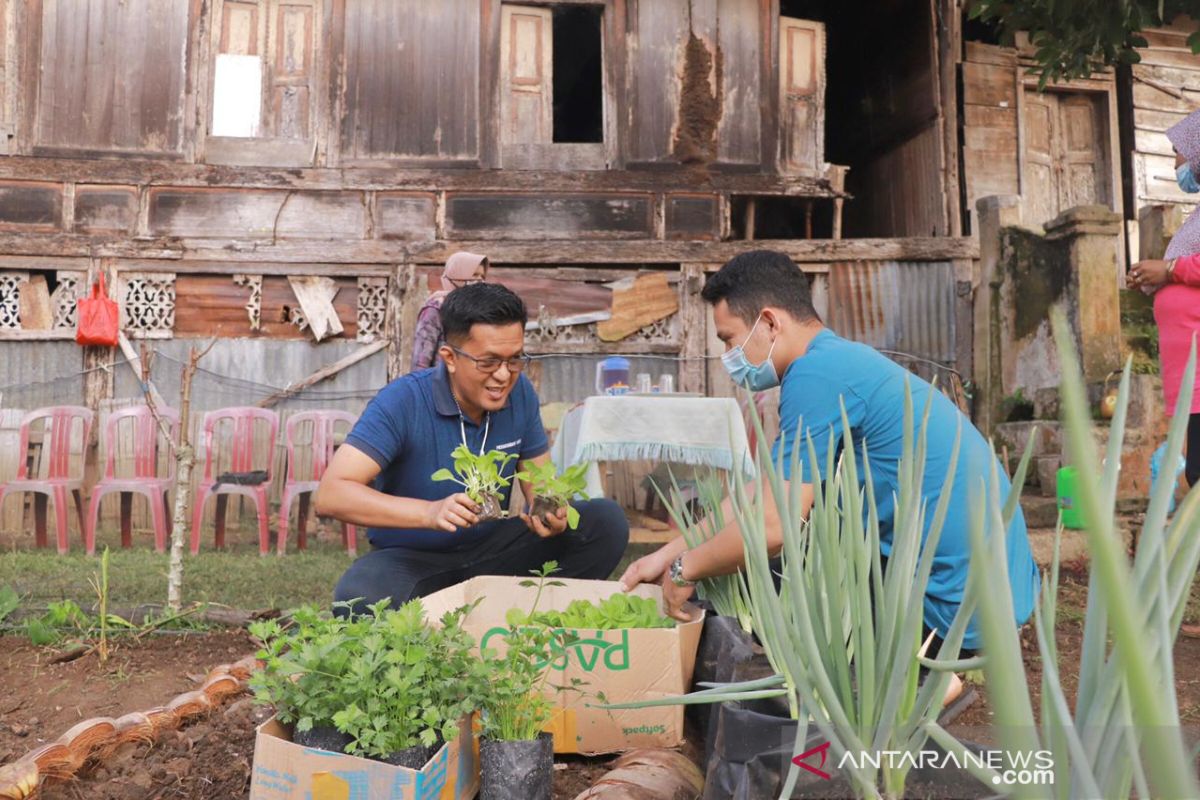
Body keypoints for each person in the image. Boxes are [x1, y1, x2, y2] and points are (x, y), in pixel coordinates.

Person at [620, 250, 1040, 667]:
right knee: (765, 544)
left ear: (768, 322)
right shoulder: (834, 362)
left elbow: (773, 524)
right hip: (997, 596)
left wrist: (684, 570)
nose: (729, 356)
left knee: (775, 562)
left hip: (952, 614)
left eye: (729, 339)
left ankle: (924, 679)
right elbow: (763, 492)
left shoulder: (815, 377)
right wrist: (669, 552)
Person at [318, 282, 629, 612]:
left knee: (604, 522)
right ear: (450, 358)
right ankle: (469, 620)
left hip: (495, 552)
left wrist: (549, 511)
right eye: (488, 362)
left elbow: (541, 483)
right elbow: (332, 494)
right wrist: (429, 512)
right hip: (412, 560)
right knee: (362, 596)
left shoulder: (519, 392)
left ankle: (533, 620)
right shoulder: (403, 401)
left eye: (514, 360)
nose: (503, 376)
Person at [1129, 108, 1200, 489]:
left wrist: (1169, 272)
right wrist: (1153, 280)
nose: (1177, 164)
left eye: (1181, 152)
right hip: (1189, 370)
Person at [410, 252, 490, 371]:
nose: (479, 281)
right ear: (457, 274)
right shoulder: (436, 308)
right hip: (440, 383)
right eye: (474, 275)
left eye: (482, 277)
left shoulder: (480, 309)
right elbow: (421, 359)